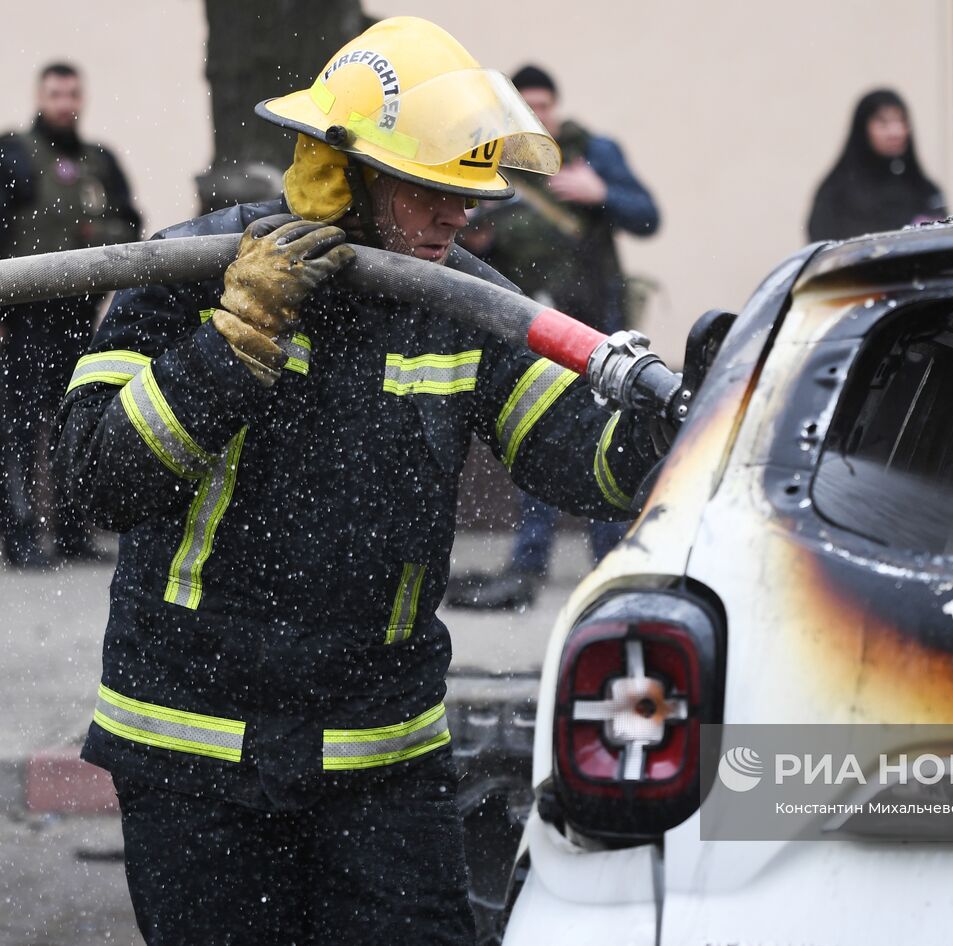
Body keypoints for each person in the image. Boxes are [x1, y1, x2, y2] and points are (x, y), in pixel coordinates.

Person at [53, 18, 668, 943]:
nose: (460, 216)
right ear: (348, 173)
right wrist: (229, 346)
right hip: (193, 755)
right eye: (432, 191)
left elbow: (572, 452)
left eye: (469, 193)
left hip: (382, 762)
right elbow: (96, 479)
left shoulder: (461, 300)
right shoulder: (193, 274)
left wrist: (663, 430)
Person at [449, 63, 660, 611]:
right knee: (537, 437)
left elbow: (647, 216)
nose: (538, 116)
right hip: (530, 327)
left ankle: (609, 570)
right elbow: (469, 249)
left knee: (603, 436)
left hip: (596, 325)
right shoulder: (495, 159)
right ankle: (527, 569)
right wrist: (480, 233)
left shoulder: (595, 150)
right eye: (527, 107)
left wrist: (600, 191)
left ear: (557, 107)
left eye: (545, 106)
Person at [0, 62, 141, 567]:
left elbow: (130, 224)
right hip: (21, 317)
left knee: (72, 421)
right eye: (55, 93)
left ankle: (71, 531)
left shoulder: (98, 160)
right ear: (40, 95)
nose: (64, 103)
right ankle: (16, 537)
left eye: (72, 93)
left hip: (79, 316)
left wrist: (96, 237)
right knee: (16, 431)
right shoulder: (13, 154)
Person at [806, 88, 946, 241]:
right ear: (863, 129)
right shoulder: (837, 193)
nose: (895, 132)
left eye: (901, 121)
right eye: (883, 123)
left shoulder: (924, 190)